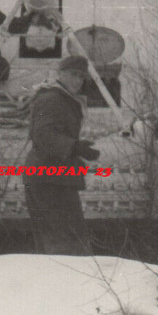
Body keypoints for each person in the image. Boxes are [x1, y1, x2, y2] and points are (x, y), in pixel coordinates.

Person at [23, 54, 101, 255]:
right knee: (65, 242)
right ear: (61, 74)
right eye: (73, 75)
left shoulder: (62, 98)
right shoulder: (52, 99)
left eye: (81, 77)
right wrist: (75, 147)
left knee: (59, 240)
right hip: (49, 178)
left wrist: (76, 147)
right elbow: (43, 135)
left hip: (53, 176)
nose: (77, 81)